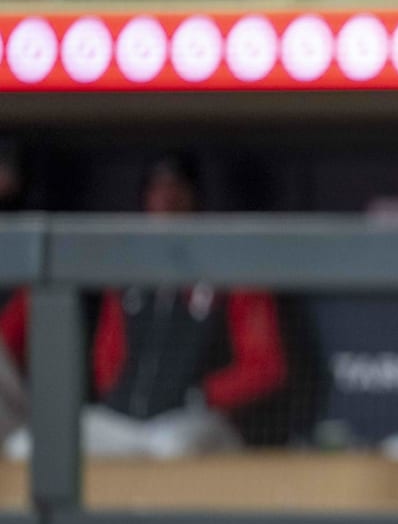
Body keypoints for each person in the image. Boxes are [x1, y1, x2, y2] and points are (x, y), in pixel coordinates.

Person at [2, 154, 290, 459]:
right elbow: (107, 360)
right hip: (124, 420)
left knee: (175, 451)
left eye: (176, 188)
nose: (167, 199)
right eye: (158, 189)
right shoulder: (129, 276)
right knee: (25, 448)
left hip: (192, 419)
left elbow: (265, 366)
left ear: (196, 199)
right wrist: (124, 397)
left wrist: (203, 395)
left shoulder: (228, 272)